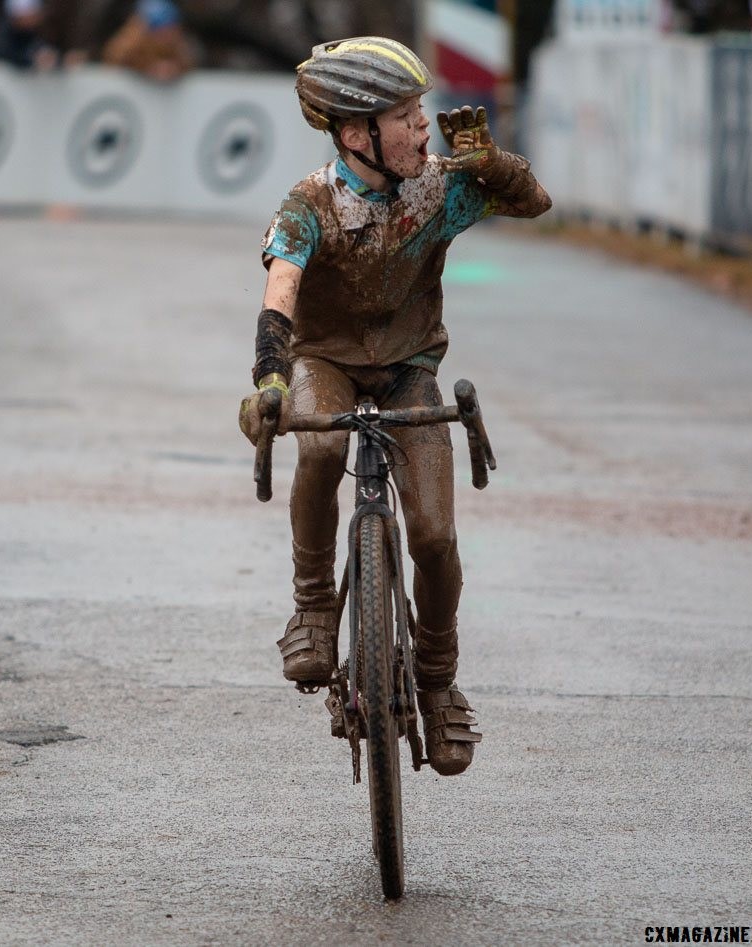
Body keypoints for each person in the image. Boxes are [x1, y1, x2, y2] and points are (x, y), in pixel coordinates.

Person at [238, 38, 551, 776]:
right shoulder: (309, 203)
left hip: (411, 370)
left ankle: (438, 684)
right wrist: (271, 381)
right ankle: (315, 607)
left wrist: (489, 163)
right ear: (356, 135)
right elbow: (280, 293)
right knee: (318, 448)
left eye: (421, 114)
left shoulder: (436, 188)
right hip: (327, 364)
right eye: (408, 117)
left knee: (436, 537)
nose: (424, 128)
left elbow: (532, 202)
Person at [101, 0, 194, 82]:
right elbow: (113, 63)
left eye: (171, 30)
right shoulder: (130, 43)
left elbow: (189, 63)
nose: (168, 35)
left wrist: (175, 69)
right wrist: (145, 68)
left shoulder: (178, 45)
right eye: (161, 31)